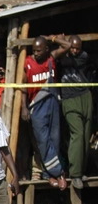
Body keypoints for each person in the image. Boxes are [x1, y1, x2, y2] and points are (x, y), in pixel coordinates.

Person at [22, 36, 66, 190]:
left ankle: (49, 175)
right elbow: (23, 86)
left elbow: (67, 46)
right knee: (42, 140)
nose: (36, 53)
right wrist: (24, 107)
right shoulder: (27, 62)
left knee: (55, 139)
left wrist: (51, 38)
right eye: (34, 50)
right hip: (36, 106)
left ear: (46, 49)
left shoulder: (51, 59)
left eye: (39, 50)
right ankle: (58, 172)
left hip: (52, 103)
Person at [52, 34, 93, 190]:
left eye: (78, 48)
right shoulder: (60, 58)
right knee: (78, 134)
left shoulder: (83, 56)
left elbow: (68, 56)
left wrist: (57, 39)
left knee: (86, 136)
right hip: (69, 99)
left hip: (85, 96)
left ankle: (81, 170)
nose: (75, 51)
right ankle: (75, 174)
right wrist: (59, 42)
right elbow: (59, 55)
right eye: (73, 48)